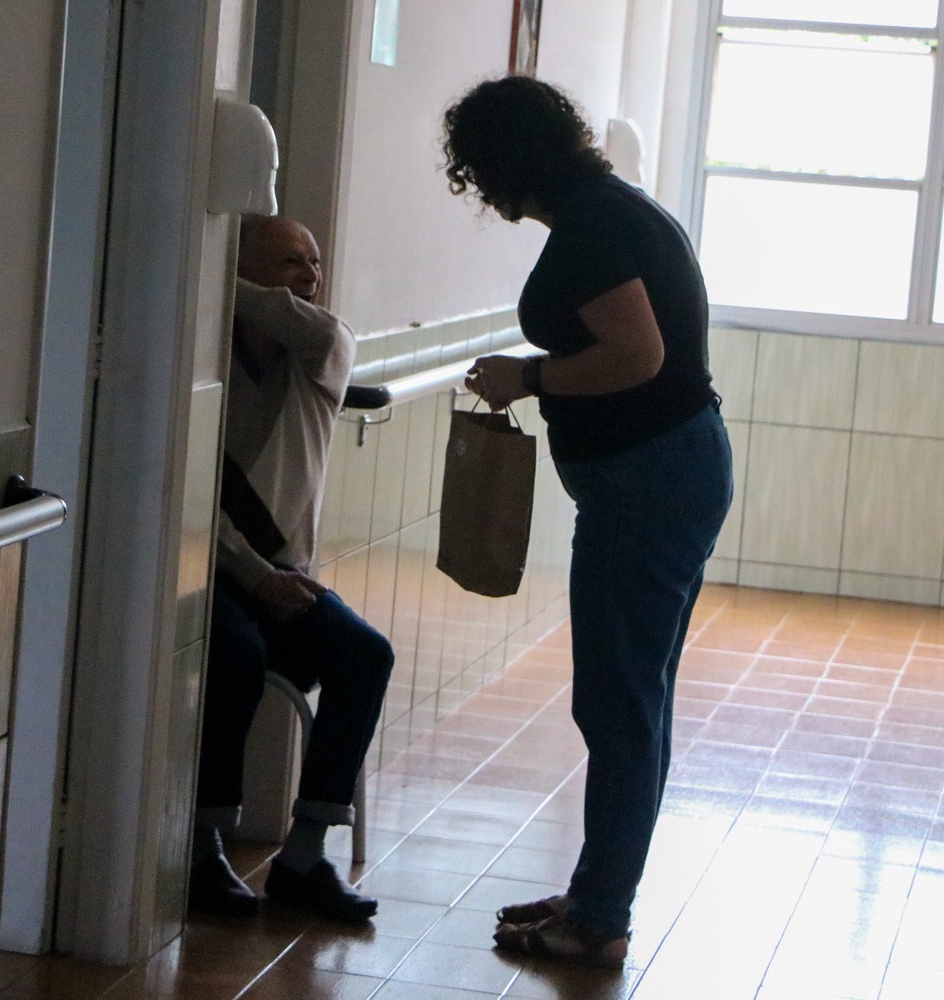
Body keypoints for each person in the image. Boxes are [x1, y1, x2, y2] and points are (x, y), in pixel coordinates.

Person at [442, 76, 733, 966]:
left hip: (646, 481)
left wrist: (527, 377)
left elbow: (636, 356)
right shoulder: (612, 210)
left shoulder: (595, 227)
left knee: (616, 704)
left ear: (502, 163)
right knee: (631, 700)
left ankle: (601, 915)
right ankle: (597, 892)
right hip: (661, 473)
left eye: (474, 170)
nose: (477, 190)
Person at [188, 213, 394, 923]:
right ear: (240, 267)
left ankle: (304, 855)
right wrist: (254, 577)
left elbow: (283, 316)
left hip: (284, 572)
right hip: (211, 569)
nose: (309, 277)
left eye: (315, 262)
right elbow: (192, 502)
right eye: (288, 263)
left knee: (364, 655)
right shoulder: (201, 364)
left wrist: (213, 275)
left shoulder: (324, 346)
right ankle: (204, 846)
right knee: (235, 654)